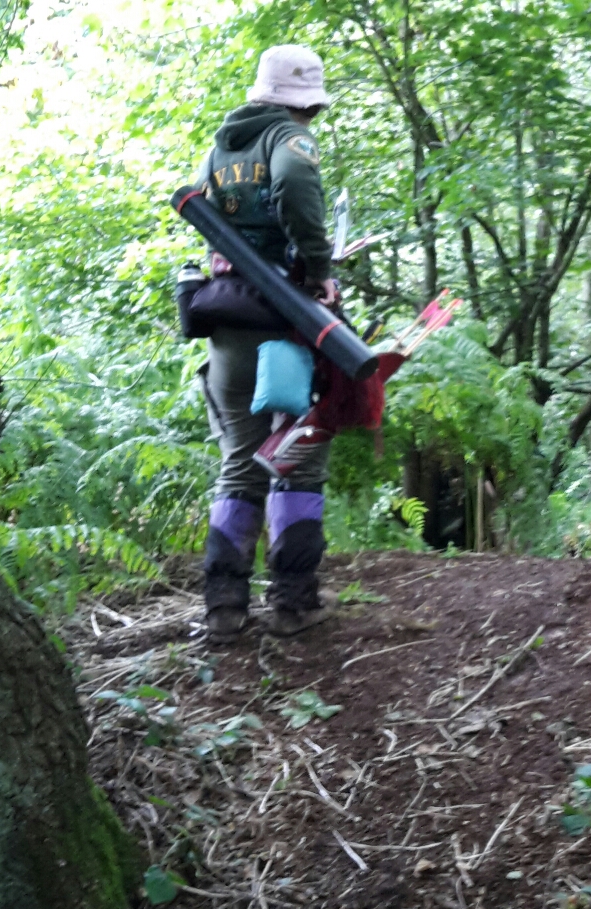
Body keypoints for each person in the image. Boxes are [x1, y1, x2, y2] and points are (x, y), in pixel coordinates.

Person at [194, 44, 338, 638]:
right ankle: (294, 603)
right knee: (298, 453)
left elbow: (207, 216)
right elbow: (296, 179)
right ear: (305, 103)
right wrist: (317, 264)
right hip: (288, 322)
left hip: (230, 322)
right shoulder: (289, 140)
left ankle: (225, 607)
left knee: (240, 463)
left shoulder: (221, 146)